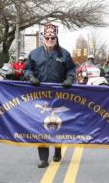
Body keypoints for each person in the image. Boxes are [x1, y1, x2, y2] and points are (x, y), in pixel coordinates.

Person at [25, 23, 75, 168]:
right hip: (40, 95)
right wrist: (31, 77)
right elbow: (28, 70)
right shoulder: (34, 54)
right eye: (47, 37)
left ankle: (58, 150)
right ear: (43, 38)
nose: (50, 39)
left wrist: (69, 79)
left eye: (53, 37)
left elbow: (71, 70)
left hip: (59, 94)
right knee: (41, 125)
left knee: (57, 123)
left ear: (56, 37)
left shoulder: (64, 54)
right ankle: (43, 158)